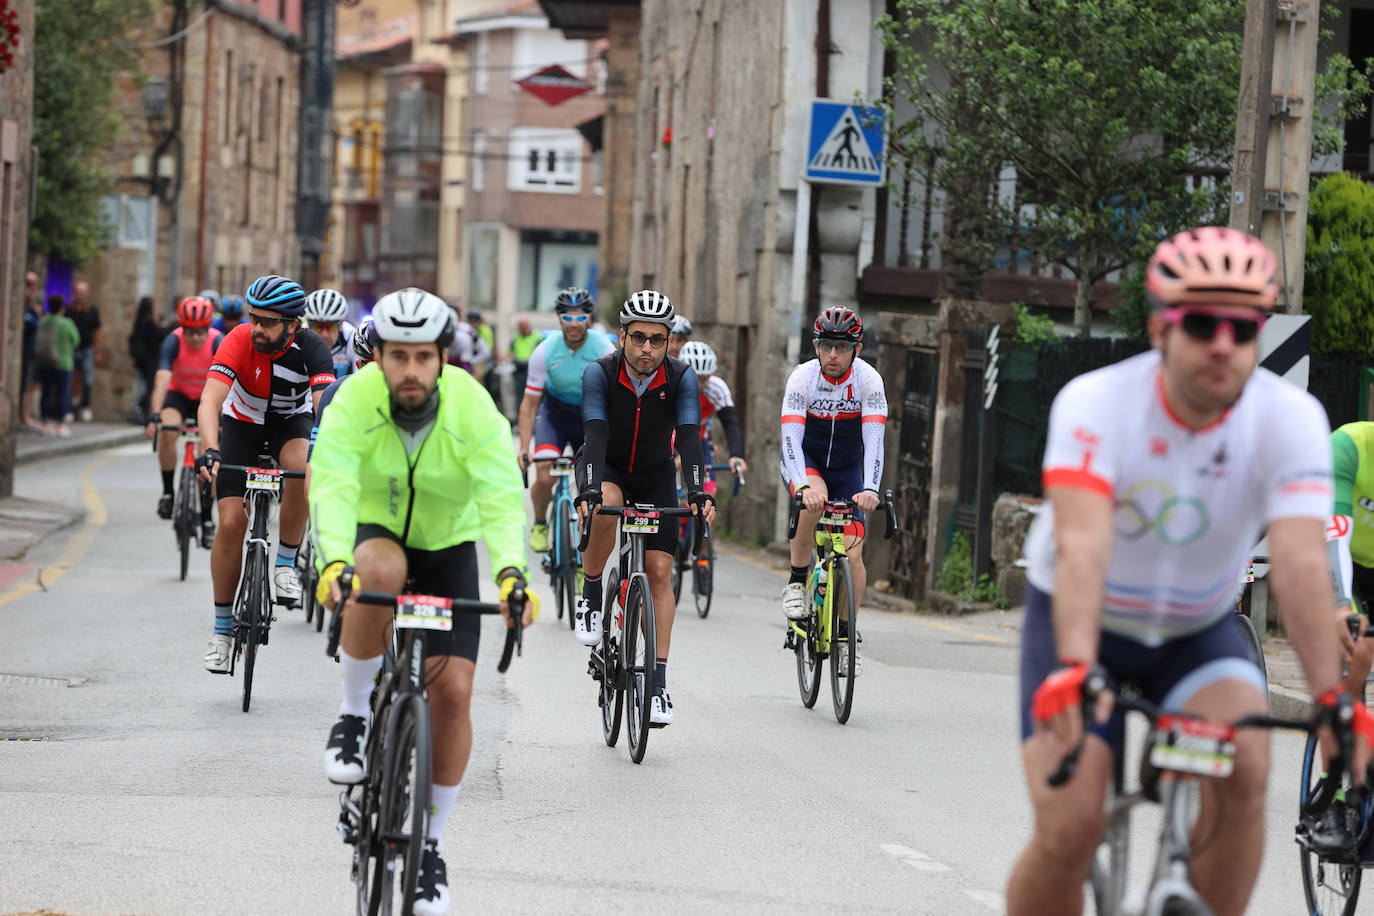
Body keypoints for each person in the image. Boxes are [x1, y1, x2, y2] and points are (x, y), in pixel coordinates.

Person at [1008, 227, 1373, 916]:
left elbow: (1298, 559)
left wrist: (1333, 702)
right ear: (1158, 329)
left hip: (1195, 630)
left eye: (1244, 327)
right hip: (1081, 627)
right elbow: (1083, 547)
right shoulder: (1095, 404)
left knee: (1247, 774)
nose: (1223, 344)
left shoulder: (1290, 418)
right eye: (1201, 323)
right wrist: (1078, 668)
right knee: (1070, 826)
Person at [312, 287, 535, 916]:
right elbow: (329, 480)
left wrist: (513, 575)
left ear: (443, 358)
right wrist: (333, 561)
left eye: (422, 358)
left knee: (455, 695)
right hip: (375, 532)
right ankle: (355, 714)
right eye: (397, 356)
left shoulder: (472, 405)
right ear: (378, 356)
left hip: (447, 546)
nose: (410, 371)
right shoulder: (355, 400)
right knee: (377, 569)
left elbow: (497, 490)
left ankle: (430, 847)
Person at [574, 290, 715, 727]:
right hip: (607, 466)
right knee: (608, 504)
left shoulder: (681, 378)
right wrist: (590, 489)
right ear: (622, 337)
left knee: (658, 572)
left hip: (655, 475)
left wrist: (698, 492)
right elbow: (595, 433)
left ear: (667, 339)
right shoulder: (600, 373)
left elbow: (690, 437)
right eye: (638, 338)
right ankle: (592, 591)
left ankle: (656, 686)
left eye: (657, 339)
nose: (647, 349)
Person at [196, 275, 335, 673]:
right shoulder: (238, 339)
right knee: (230, 523)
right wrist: (210, 448)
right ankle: (222, 634)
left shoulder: (312, 348)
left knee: (302, 464)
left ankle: (285, 564)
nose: (257, 328)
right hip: (241, 424)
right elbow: (210, 399)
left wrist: (325, 455)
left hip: (290, 424)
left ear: (292, 324)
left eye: (268, 322)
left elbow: (323, 409)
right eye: (254, 318)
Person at [778, 306, 887, 676]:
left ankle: (845, 633)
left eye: (842, 347)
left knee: (854, 555)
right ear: (816, 346)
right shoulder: (802, 379)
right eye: (826, 346)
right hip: (806, 460)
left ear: (857, 349)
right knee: (813, 502)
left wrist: (870, 487)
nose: (833, 355)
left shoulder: (869, 381)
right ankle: (796, 580)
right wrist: (804, 485)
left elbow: (874, 440)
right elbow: (790, 438)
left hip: (847, 469)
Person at [516, 287, 614, 552]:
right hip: (554, 417)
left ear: (589, 319)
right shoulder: (545, 351)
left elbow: (616, 400)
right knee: (545, 476)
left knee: (591, 490)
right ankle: (539, 522)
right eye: (567, 317)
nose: (573, 324)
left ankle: (584, 561)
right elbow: (530, 403)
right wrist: (524, 447)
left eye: (580, 317)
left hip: (589, 418)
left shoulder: (604, 349)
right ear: (558, 319)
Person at [147, 296, 222, 543]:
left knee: (209, 452)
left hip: (205, 399)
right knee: (168, 430)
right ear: (182, 328)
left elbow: (227, 384)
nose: (195, 338)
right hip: (178, 395)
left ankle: (207, 516)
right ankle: (168, 493)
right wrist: (155, 415)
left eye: (200, 332)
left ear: (208, 327)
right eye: (190, 332)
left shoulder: (217, 342)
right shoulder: (173, 341)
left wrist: (223, 419)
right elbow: (162, 377)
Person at [308, 316, 378, 461]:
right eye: (372, 366)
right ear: (359, 366)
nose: (378, 373)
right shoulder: (334, 392)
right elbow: (316, 462)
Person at [34, 295, 80, 438]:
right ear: (62, 308)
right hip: (63, 363)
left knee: (46, 393)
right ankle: (60, 425)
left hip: (44, 362)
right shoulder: (67, 323)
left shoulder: (43, 321)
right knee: (62, 394)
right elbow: (76, 340)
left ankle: (44, 423)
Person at [128, 296, 168, 423]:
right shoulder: (148, 322)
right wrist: (164, 327)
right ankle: (142, 410)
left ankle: (140, 409)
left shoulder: (139, 321)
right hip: (150, 359)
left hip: (142, 360)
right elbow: (158, 336)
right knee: (150, 386)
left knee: (146, 385)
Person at [68, 280, 102, 422]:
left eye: (82, 292)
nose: (80, 295)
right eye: (78, 292)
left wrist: (98, 351)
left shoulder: (92, 311)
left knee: (87, 380)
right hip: (71, 349)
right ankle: (69, 409)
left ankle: (85, 406)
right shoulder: (68, 310)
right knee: (69, 380)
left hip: (87, 349)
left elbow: (98, 331)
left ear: (86, 294)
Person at [303, 287, 356, 379]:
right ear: (308, 324)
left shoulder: (352, 338)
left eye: (330, 326)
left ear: (341, 325)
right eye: (317, 326)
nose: (324, 335)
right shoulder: (300, 336)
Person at [20, 271, 41, 430]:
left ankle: (25, 417)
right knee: (22, 386)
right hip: (21, 353)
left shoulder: (34, 307)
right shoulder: (20, 306)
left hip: (31, 352)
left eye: (34, 284)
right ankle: (22, 417)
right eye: (28, 283)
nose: (31, 287)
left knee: (29, 386)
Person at [509, 317, 542, 398]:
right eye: (519, 327)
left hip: (532, 369)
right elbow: (510, 351)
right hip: (518, 369)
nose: (520, 329)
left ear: (527, 326)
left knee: (532, 395)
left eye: (522, 326)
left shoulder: (537, 336)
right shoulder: (516, 337)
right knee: (519, 395)